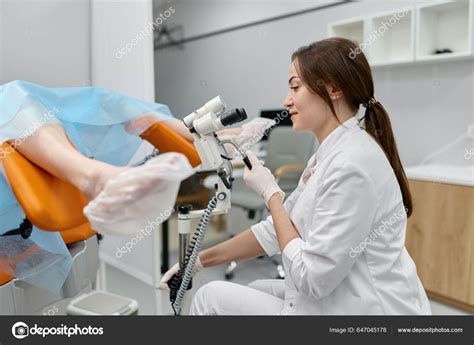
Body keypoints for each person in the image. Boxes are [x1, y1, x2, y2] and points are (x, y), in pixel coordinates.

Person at [160, 37, 432, 315]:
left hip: (368, 310)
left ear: (334, 89)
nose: (286, 100)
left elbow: (313, 279)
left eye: (295, 87)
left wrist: (272, 196)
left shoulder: (351, 165)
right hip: (341, 294)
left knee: (211, 296)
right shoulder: (331, 153)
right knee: (254, 287)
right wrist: (197, 260)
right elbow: (273, 233)